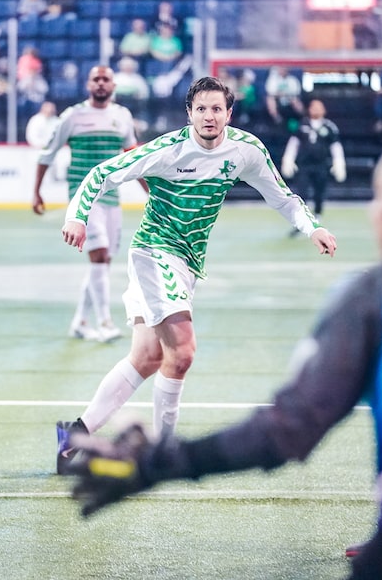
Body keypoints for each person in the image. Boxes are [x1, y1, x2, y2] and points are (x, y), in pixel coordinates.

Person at [68, 131, 382, 580]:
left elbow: (290, 428)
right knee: (149, 355)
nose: (373, 211)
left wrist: (156, 464)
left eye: (380, 197)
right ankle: (82, 424)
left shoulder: (381, 289)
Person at [55, 76, 336, 475]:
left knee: (149, 356)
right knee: (182, 353)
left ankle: (74, 436)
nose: (209, 115)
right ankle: (163, 455)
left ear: (228, 113)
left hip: (187, 264)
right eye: (201, 108)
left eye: (216, 108)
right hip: (154, 254)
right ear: (189, 113)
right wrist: (77, 218)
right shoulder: (167, 149)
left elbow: (283, 196)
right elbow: (102, 173)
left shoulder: (245, 150)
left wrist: (313, 228)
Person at [32, 65, 140, 347]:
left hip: (112, 198)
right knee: (99, 256)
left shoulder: (122, 116)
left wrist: (151, 193)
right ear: (88, 84)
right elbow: (47, 154)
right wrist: (36, 192)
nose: (101, 84)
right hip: (83, 199)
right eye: (96, 79)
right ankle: (105, 322)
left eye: (106, 79)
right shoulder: (73, 116)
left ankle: (80, 321)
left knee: (102, 263)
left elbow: (133, 157)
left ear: (113, 85)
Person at [281, 99, 347, 226]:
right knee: (301, 192)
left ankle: (317, 214)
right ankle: (301, 218)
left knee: (319, 191)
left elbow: (336, 146)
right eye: (313, 107)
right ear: (309, 109)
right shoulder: (303, 125)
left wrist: (339, 163)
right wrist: (288, 159)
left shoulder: (329, 127)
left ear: (324, 110)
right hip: (304, 165)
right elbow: (293, 144)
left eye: (319, 107)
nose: (316, 109)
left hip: (321, 165)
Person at [264, 65, 304, 130]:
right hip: (277, 100)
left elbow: (296, 93)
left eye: (285, 68)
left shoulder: (293, 80)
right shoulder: (273, 79)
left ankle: (302, 116)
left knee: (295, 100)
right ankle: (277, 118)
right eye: (281, 68)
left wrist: (285, 94)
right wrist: (280, 94)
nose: (283, 70)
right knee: (270, 99)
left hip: (290, 100)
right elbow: (270, 92)